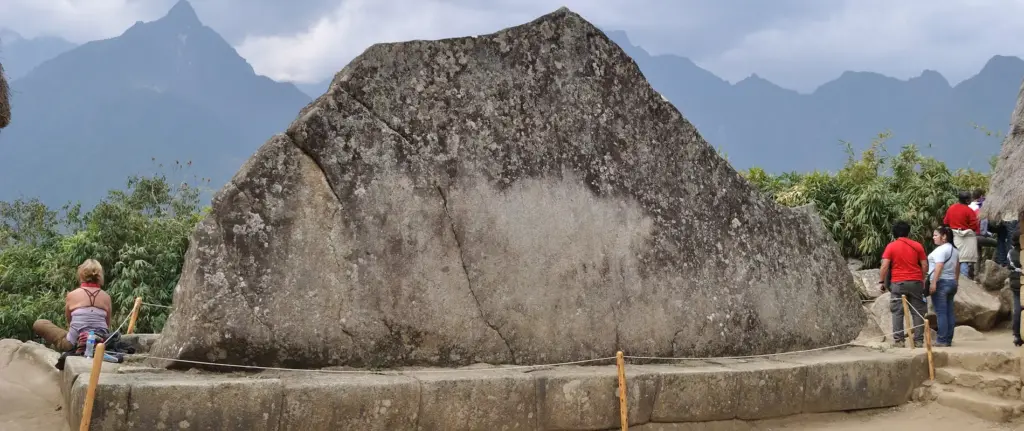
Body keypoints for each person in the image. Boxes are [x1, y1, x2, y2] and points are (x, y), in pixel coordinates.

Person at [32, 259, 112, 352]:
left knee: (39, 323)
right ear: (100, 276)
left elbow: (70, 322)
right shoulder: (106, 297)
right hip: (99, 344)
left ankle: (75, 344)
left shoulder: (72, 295)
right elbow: (107, 324)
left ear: (81, 274)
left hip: (74, 344)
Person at [879, 220, 928, 348]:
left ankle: (899, 341)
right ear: (908, 232)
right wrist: (921, 279)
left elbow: (885, 266)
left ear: (894, 233)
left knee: (897, 311)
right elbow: (924, 265)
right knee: (917, 312)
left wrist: (881, 281)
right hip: (916, 282)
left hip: (898, 283)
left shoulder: (891, 246)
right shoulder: (917, 246)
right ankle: (918, 341)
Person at [928, 226, 960, 347]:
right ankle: (948, 339)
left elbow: (939, 266)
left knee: (941, 312)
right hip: (951, 282)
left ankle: (942, 340)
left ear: (944, 236)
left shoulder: (941, 250)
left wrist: (934, 282)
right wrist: (956, 281)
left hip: (941, 283)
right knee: (949, 312)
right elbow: (957, 267)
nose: (933, 237)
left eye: (936, 235)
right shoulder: (955, 250)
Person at [943, 191, 980, 278]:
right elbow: (974, 226)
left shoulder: (951, 208)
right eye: (970, 198)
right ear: (967, 200)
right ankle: (964, 282)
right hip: (965, 237)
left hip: (953, 236)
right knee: (964, 259)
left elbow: (945, 222)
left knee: (954, 258)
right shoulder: (969, 211)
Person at [1008, 231, 1022, 347]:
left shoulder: (1011, 252)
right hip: (1020, 281)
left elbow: (1010, 265)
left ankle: (1017, 334)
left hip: (1014, 282)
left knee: (1017, 307)